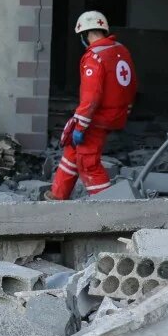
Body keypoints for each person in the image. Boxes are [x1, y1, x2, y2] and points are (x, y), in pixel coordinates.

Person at [52, 10, 136, 199]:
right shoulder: (121, 50)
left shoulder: (94, 56)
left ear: (85, 34)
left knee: (87, 161)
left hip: (98, 117)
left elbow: (91, 97)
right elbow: (131, 83)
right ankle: (57, 195)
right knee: (72, 151)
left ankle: (106, 204)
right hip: (116, 113)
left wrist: (80, 124)